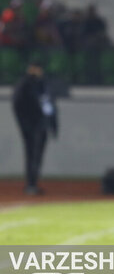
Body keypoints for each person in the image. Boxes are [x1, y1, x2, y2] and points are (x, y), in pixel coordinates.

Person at [12, 64, 58, 195]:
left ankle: (33, 182)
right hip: (31, 126)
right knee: (32, 154)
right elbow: (18, 105)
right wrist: (24, 125)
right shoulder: (25, 85)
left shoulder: (44, 85)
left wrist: (53, 125)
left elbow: (51, 105)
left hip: (42, 126)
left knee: (37, 156)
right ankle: (31, 184)